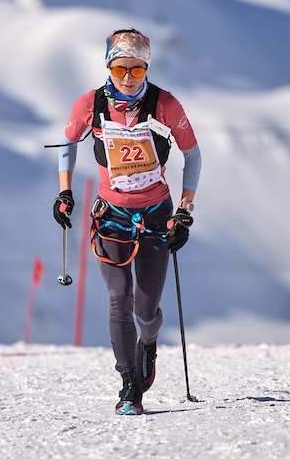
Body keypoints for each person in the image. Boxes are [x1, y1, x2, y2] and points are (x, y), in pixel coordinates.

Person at [52, 28, 201, 415]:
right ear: (108, 67)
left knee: (146, 311)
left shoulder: (165, 105)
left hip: (156, 215)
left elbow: (193, 156)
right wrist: (65, 192)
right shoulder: (90, 104)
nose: (128, 78)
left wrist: (184, 211)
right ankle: (129, 384)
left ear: (146, 67)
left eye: (137, 69)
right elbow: (67, 143)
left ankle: (148, 344)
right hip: (112, 216)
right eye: (120, 69)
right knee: (120, 299)